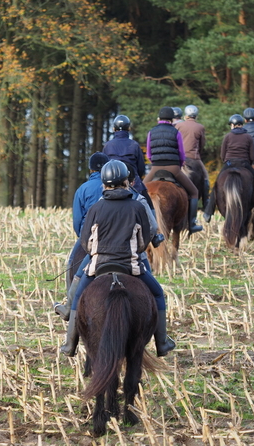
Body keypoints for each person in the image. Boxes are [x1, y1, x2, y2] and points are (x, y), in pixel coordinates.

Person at [60, 160, 176, 358]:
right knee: (157, 294)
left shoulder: (96, 207)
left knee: (78, 298)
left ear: (104, 184)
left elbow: (85, 241)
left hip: (99, 264)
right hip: (130, 264)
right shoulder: (138, 205)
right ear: (127, 182)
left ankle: (70, 344)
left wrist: (96, 253)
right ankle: (162, 342)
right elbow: (145, 239)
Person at [53, 152, 109, 321]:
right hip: (117, 238)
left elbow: (77, 220)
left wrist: (82, 238)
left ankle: (69, 306)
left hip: (90, 236)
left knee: (72, 263)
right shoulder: (118, 187)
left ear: (90, 168)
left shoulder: (83, 189)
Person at [143, 106, 203, 236]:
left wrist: (155, 163)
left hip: (155, 168)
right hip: (173, 168)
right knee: (194, 192)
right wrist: (179, 165)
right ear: (171, 119)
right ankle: (192, 223)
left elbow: (149, 154)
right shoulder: (176, 132)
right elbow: (181, 153)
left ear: (159, 119)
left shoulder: (151, 132)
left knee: (138, 191)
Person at [202, 114, 254, 222]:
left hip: (229, 163)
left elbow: (222, 155)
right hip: (244, 164)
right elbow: (252, 156)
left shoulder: (227, 136)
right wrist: (248, 163)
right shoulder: (248, 137)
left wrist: (227, 162)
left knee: (217, 185)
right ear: (241, 125)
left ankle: (208, 212)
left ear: (233, 125)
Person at [103, 114, 154, 210]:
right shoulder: (134, 145)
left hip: (111, 184)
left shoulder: (107, 146)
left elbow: (104, 168)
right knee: (150, 207)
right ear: (129, 128)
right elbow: (141, 168)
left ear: (114, 129)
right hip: (132, 183)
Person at [175, 104, 210, 209]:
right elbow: (202, 145)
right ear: (196, 116)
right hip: (194, 158)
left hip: (180, 158)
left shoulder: (179, 126)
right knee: (205, 178)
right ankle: (206, 202)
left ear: (185, 115)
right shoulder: (200, 127)